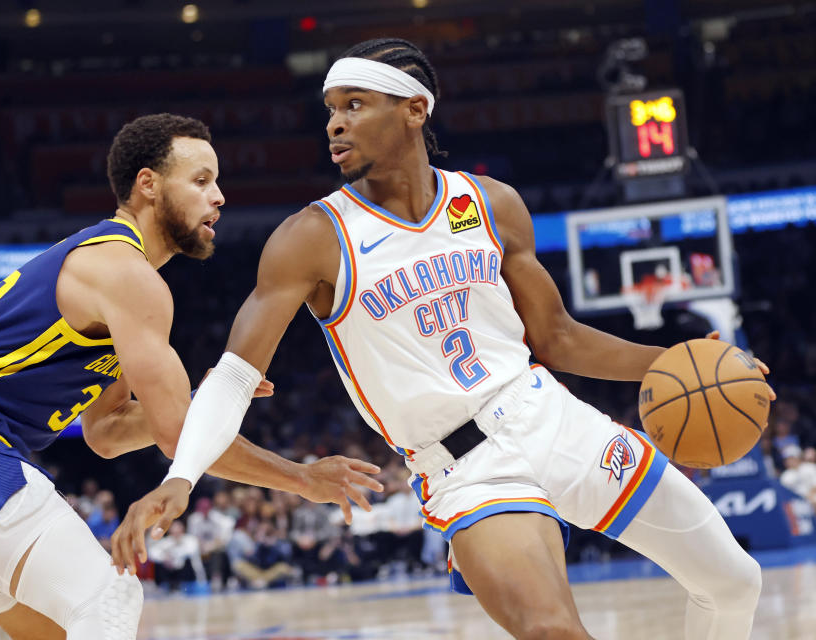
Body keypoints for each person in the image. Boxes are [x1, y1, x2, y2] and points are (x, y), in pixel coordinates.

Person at [112, 41, 777, 640]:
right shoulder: (312, 237)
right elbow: (231, 376)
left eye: (353, 104)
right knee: (552, 631)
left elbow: (556, 335)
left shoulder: (488, 203)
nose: (333, 123)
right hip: (468, 467)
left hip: (553, 417)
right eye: (329, 109)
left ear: (413, 110)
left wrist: (684, 365)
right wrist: (183, 475)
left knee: (733, 582)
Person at [0, 113, 381, 640]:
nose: (220, 196)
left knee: (66, 630)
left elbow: (106, 432)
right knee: (109, 596)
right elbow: (178, 437)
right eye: (201, 180)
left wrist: (204, 403)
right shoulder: (125, 274)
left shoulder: (120, 283)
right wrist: (300, 478)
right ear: (148, 185)